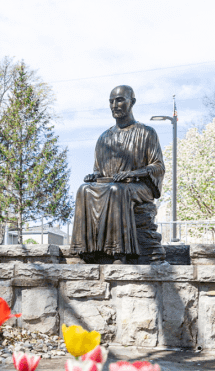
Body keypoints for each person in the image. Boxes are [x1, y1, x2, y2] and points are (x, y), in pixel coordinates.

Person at [70, 85, 166, 264]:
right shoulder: (104, 138)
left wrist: (134, 173)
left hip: (139, 186)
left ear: (132, 102)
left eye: (120, 100)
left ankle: (119, 253)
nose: (115, 105)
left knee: (116, 190)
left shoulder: (146, 133)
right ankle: (86, 251)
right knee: (84, 190)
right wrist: (94, 176)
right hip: (110, 184)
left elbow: (158, 166)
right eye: (111, 101)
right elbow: (99, 170)